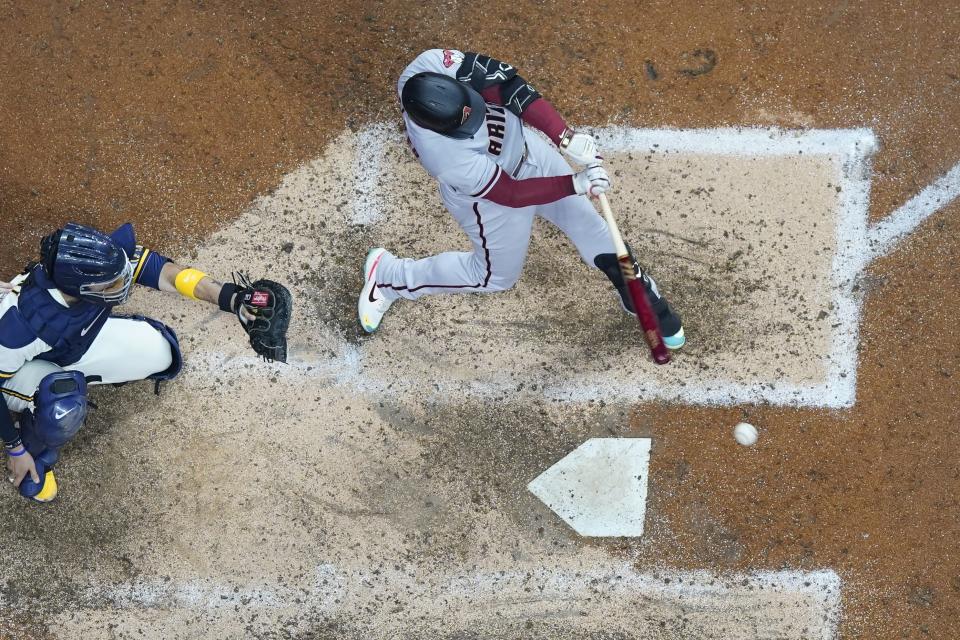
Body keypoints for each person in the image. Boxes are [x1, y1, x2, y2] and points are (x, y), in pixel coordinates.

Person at [357, 48, 685, 348]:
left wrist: (564, 137)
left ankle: (636, 295)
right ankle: (388, 277)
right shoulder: (445, 157)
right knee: (492, 277)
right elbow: (511, 194)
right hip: (489, 205)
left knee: (589, 225)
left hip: (529, 152)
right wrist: (575, 182)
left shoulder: (430, 65)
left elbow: (507, 85)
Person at [1, 222, 290, 502]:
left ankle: (71, 374)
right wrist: (14, 447)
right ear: (80, 288)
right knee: (62, 405)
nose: (122, 283)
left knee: (162, 352)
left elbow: (164, 273)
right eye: (111, 283)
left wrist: (232, 298)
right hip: (14, 371)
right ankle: (34, 455)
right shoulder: (19, 328)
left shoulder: (100, 262)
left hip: (69, 346)